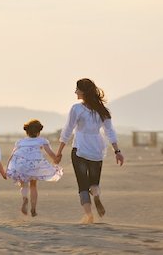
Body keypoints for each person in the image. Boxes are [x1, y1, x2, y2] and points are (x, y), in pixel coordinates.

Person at [55, 78, 124, 224]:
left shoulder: (77, 108)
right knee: (94, 183)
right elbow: (110, 131)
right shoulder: (102, 110)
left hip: (80, 148)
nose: (75, 92)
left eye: (77, 89)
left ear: (83, 92)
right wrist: (117, 151)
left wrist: (59, 151)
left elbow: (67, 130)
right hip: (96, 149)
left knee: (82, 184)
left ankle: (88, 214)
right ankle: (97, 195)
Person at [7, 119, 63, 217]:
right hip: (35, 164)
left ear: (27, 131)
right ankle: (33, 208)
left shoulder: (20, 141)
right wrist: (56, 159)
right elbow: (50, 154)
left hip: (22, 164)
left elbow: (13, 155)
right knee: (33, 185)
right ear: (38, 132)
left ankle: (25, 198)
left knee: (23, 184)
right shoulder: (42, 140)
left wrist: (8, 167)